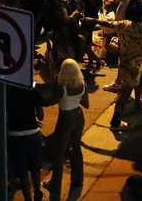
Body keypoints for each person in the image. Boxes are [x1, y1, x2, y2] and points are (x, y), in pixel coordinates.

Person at [86, 0, 142, 131]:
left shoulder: (124, 25)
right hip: (138, 65)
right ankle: (115, 121)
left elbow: (108, 23)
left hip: (124, 63)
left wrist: (92, 20)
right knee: (125, 94)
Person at [45, 58, 88, 199]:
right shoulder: (82, 84)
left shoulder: (61, 85)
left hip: (65, 119)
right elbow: (86, 103)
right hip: (78, 116)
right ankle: (77, 181)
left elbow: (52, 100)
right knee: (76, 149)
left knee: (59, 153)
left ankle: (55, 186)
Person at [6, 83, 43, 201]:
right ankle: (38, 192)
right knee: (35, 168)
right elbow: (41, 115)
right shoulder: (32, 89)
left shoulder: (6, 90)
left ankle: (28, 198)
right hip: (33, 134)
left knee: (22, 173)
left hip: (14, 136)